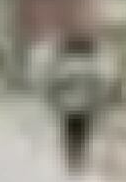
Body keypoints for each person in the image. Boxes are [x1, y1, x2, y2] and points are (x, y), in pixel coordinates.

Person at [45, 31, 112, 173]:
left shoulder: (65, 66)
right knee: (83, 133)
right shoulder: (93, 66)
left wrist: (55, 100)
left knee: (70, 131)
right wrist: (100, 103)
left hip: (69, 105)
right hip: (86, 105)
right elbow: (100, 86)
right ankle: (78, 157)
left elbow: (55, 84)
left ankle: (72, 157)